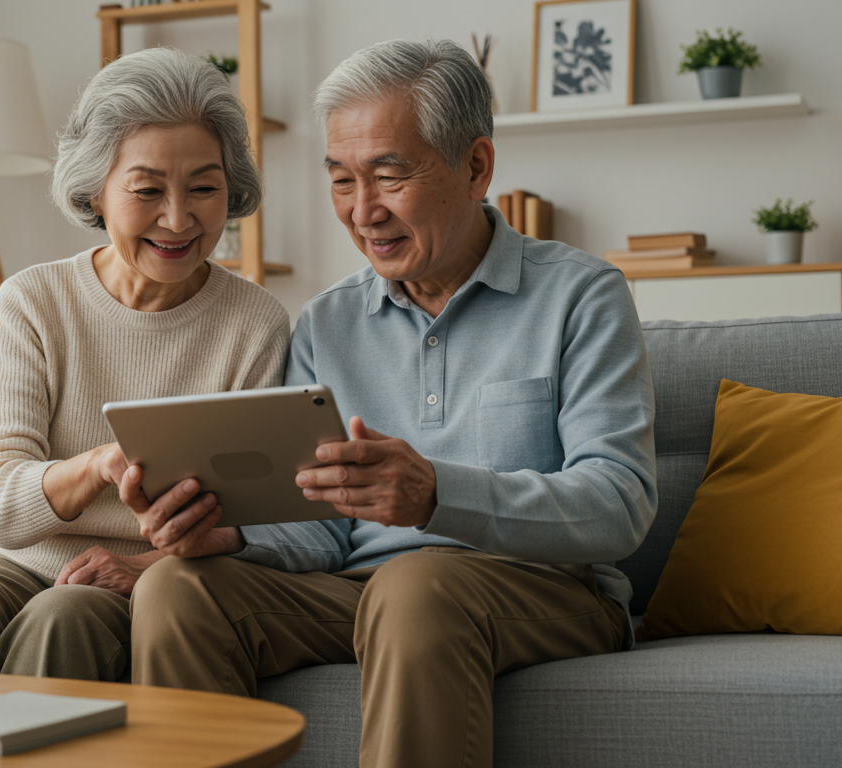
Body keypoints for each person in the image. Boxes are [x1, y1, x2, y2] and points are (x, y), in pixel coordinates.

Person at [122, 39, 656, 768]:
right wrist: (234, 540)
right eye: (341, 180)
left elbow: (618, 504)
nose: (362, 211)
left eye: (389, 174)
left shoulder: (581, 296)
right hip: (366, 593)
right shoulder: (325, 323)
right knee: (179, 592)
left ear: (476, 167)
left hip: (547, 589)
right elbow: (318, 529)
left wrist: (440, 494)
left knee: (415, 587)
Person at [0, 47, 291, 682]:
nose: (179, 219)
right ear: (96, 190)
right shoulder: (34, 301)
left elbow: (253, 529)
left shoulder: (255, 323)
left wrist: (140, 569)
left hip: (149, 577)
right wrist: (101, 463)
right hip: (17, 562)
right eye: (147, 189)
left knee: (64, 615)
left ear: (232, 191)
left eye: (205, 188)